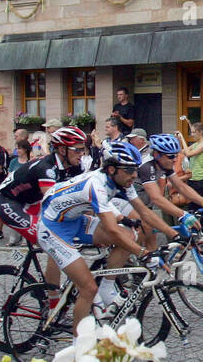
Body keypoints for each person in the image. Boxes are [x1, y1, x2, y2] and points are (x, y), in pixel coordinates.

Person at [37, 140, 175, 327]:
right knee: (88, 288)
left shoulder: (123, 180)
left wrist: (173, 233)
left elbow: (144, 212)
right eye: (129, 170)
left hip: (75, 220)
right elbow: (111, 228)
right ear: (111, 169)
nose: (134, 175)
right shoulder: (97, 185)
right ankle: (80, 349)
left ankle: (107, 287)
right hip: (52, 227)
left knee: (128, 235)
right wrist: (144, 254)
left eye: (135, 169)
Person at [0, 126, 90, 284]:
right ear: (62, 150)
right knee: (56, 244)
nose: (82, 154)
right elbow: (56, 202)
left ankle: (49, 291)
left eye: (83, 149)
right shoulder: (46, 169)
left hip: (34, 202)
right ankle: (52, 303)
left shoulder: (75, 166)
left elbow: (84, 195)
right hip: (11, 203)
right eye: (77, 150)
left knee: (60, 243)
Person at [131, 133, 203, 249]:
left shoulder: (165, 164)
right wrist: (183, 214)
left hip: (143, 197)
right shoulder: (146, 166)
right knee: (145, 229)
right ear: (157, 155)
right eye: (170, 156)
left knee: (150, 237)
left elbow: (181, 187)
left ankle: (149, 261)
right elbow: (156, 198)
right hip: (126, 198)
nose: (175, 159)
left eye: (175, 155)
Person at [179, 118, 203, 198]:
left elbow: (189, 154)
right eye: (191, 132)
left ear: (200, 132)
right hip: (191, 177)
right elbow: (182, 152)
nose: (192, 134)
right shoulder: (196, 144)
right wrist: (178, 140)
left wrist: (182, 138)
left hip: (198, 178)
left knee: (198, 205)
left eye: (194, 132)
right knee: (192, 205)